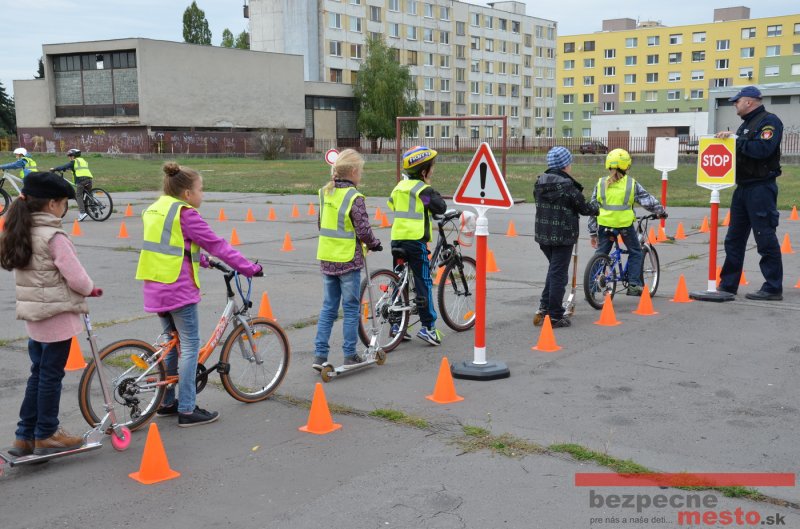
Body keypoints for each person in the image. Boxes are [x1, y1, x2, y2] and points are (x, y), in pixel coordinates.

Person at [135, 162, 263, 427]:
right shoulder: (186, 214)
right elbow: (217, 245)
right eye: (200, 190)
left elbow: (171, 245)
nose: (202, 195)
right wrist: (248, 268)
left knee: (172, 344)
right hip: (177, 288)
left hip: (155, 285)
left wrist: (203, 261)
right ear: (187, 194)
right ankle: (187, 408)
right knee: (190, 345)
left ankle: (167, 401)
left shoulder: (156, 208)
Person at [0, 172, 98, 456]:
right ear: (53, 204)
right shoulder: (54, 236)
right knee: (51, 377)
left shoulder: (20, 230)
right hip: (56, 316)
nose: (64, 208)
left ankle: (24, 435)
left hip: (34, 317)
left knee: (39, 374)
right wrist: (91, 289)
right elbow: (77, 278)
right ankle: (46, 433)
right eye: (64, 203)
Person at [313, 149, 382, 371]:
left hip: (327, 258)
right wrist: (374, 243)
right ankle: (350, 354)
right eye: (360, 171)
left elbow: (321, 223)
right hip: (347, 259)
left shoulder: (325, 193)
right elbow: (363, 229)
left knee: (328, 307)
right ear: (352, 171)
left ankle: (319, 355)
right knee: (351, 308)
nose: (361, 175)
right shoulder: (354, 197)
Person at [715, 85, 784, 301]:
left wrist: (736, 141)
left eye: (737, 101)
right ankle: (728, 285)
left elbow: (763, 149)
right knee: (734, 239)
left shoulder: (769, 121)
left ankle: (772, 288)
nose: (735, 105)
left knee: (764, 237)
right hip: (743, 187)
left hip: (761, 188)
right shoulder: (746, 125)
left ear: (749, 101)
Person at [388, 146, 448, 345]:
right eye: (432, 167)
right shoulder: (422, 191)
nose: (433, 170)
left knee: (399, 280)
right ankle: (428, 328)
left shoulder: (399, 187)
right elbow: (440, 207)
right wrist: (428, 188)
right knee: (423, 282)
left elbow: (392, 204)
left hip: (397, 239)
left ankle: (397, 325)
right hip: (415, 241)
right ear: (423, 172)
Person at [533, 147, 598, 328]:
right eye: (569, 163)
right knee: (559, 275)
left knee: (554, 270)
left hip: (543, 235)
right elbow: (584, 208)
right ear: (565, 165)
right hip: (563, 236)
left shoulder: (539, 183)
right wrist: (597, 208)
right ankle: (555, 315)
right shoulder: (567, 186)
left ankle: (544, 307)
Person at [588, 148, 666, 296]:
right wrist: (660, 211)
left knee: (601, 253)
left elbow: (593, 208)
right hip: (624, 226)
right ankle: (634, 285)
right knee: (635, 252)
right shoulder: (631, 184)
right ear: (627, 166)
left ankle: (592, 286)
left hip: (604, 225)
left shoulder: (600, 183)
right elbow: (647, 200)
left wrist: (592, 231)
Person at [51, 148, 92, 222]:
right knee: (88, 195)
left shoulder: (74, 161)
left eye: (69, 156)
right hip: (89, 179)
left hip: (81, 180)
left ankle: (82, 213)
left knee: (78, 196)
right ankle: (93, 209)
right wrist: (66, 169)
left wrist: (55, 169)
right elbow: (75, 168)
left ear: (73, 156)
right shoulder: (83, 161)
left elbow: (65, 166)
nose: (69, 158)